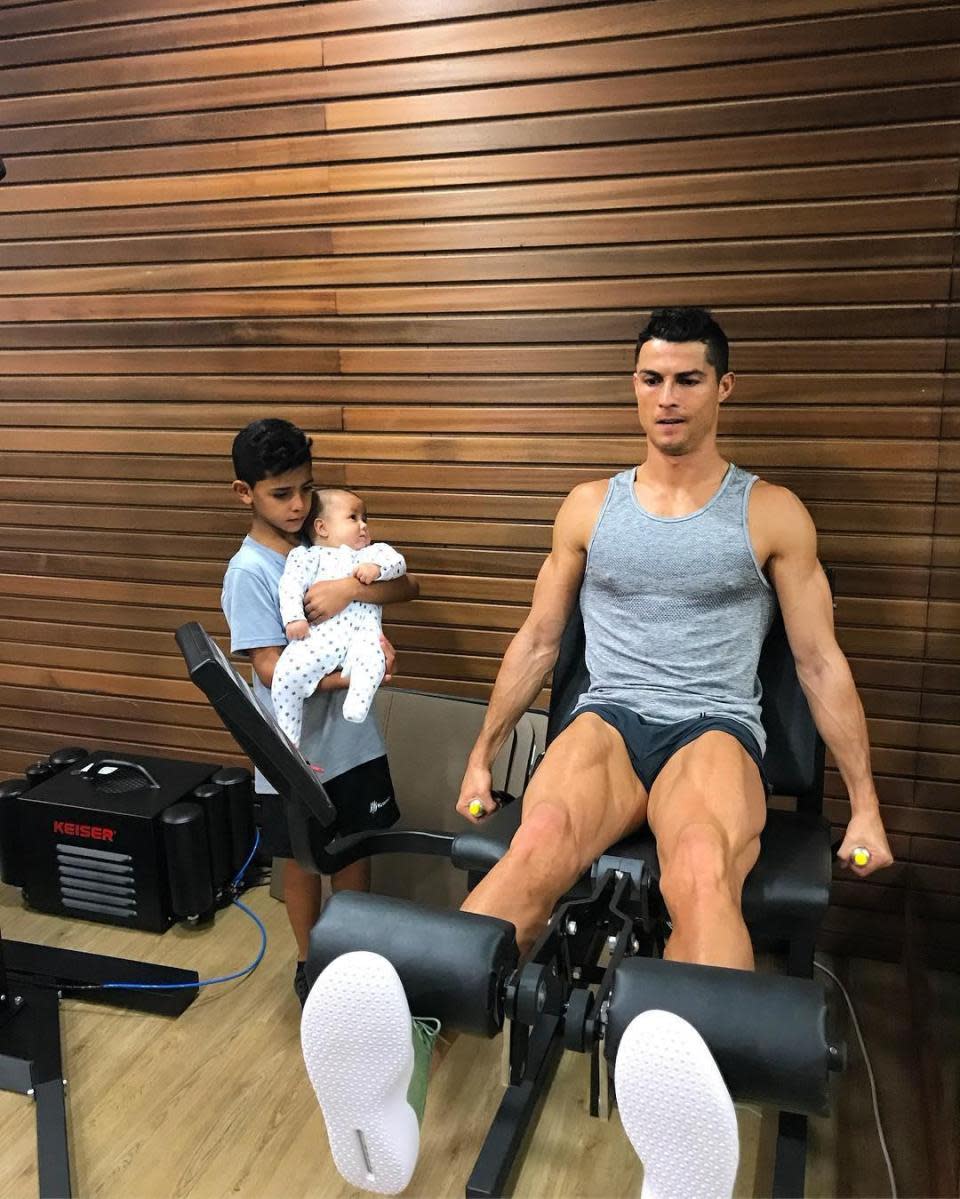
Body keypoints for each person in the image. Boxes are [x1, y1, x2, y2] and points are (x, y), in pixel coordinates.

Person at [300, 309, 894, 1196]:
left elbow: (817, 660)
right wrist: (482, 753)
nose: (667, 398)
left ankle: (696, 1138)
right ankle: (400, 1080)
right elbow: (541, 639)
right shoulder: (590, 506)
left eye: (688, 379)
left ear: (722, 387)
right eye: (651, 379)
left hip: (713, 727)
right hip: (606, 719)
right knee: (537, 846)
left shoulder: (770, 510)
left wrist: (867, 803)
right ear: (634, 385)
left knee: (699, 867)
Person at [222, 418, 419, 1006]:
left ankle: (352, 960)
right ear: (245, 493)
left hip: (354, 745)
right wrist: (358, 674)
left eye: (305, 489)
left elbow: (406, 588)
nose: (297, 504)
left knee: (355, 851)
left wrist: (351, 592)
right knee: (304, 862)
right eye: (281, 494)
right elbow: (268, 669)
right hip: (295, 755)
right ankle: (311, 967)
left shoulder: (325, 541)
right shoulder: (250, 572)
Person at [273, 488, 407, 741]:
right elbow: (290, 584)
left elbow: (399, 564)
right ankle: (287, 737)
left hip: (363, 634)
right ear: (322, 528)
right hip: (321, 637)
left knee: (373, 658)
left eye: (365, 518)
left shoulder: (372, 553)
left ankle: (358, 702)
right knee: (286, 674)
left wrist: (377, 569)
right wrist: (294, 618)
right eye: (353, 518)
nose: (363, 525)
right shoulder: (307, 556)